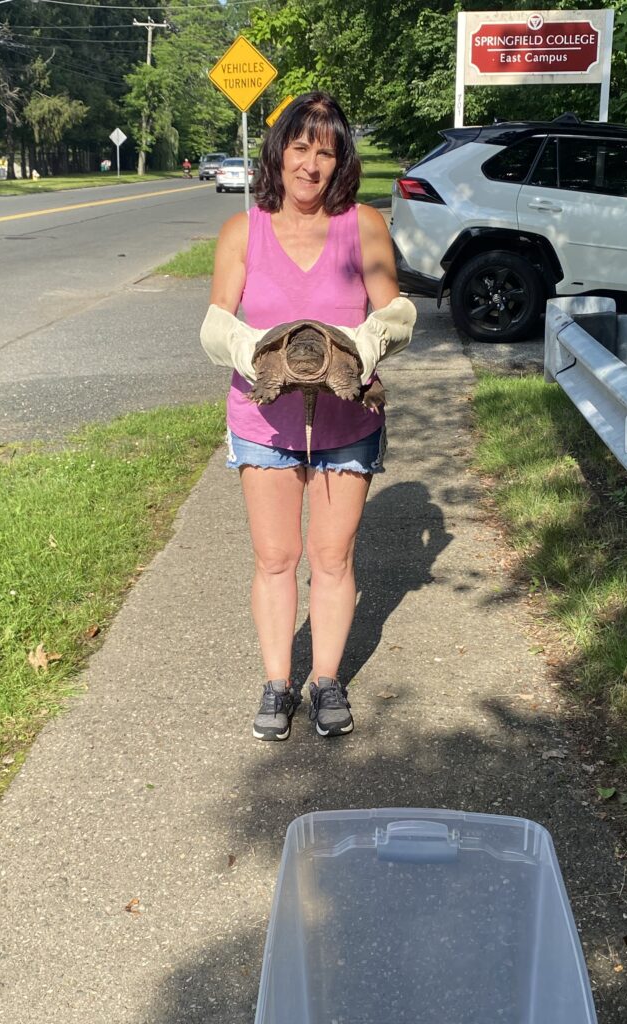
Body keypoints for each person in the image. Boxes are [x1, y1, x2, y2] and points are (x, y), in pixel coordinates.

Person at [200, 91, 415, 742]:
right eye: (299, 147)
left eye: (325, 151)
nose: (311, 164)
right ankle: (277, 682)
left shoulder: (365, 226)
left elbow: (397, 314)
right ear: (278, 152)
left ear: (341, 160)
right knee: (275, 557)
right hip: (264, 421)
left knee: (331, 554)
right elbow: (216, 324)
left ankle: (324, 679)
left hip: (348, 421)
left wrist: (360, 349)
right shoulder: (244, 231)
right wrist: (257, 352)